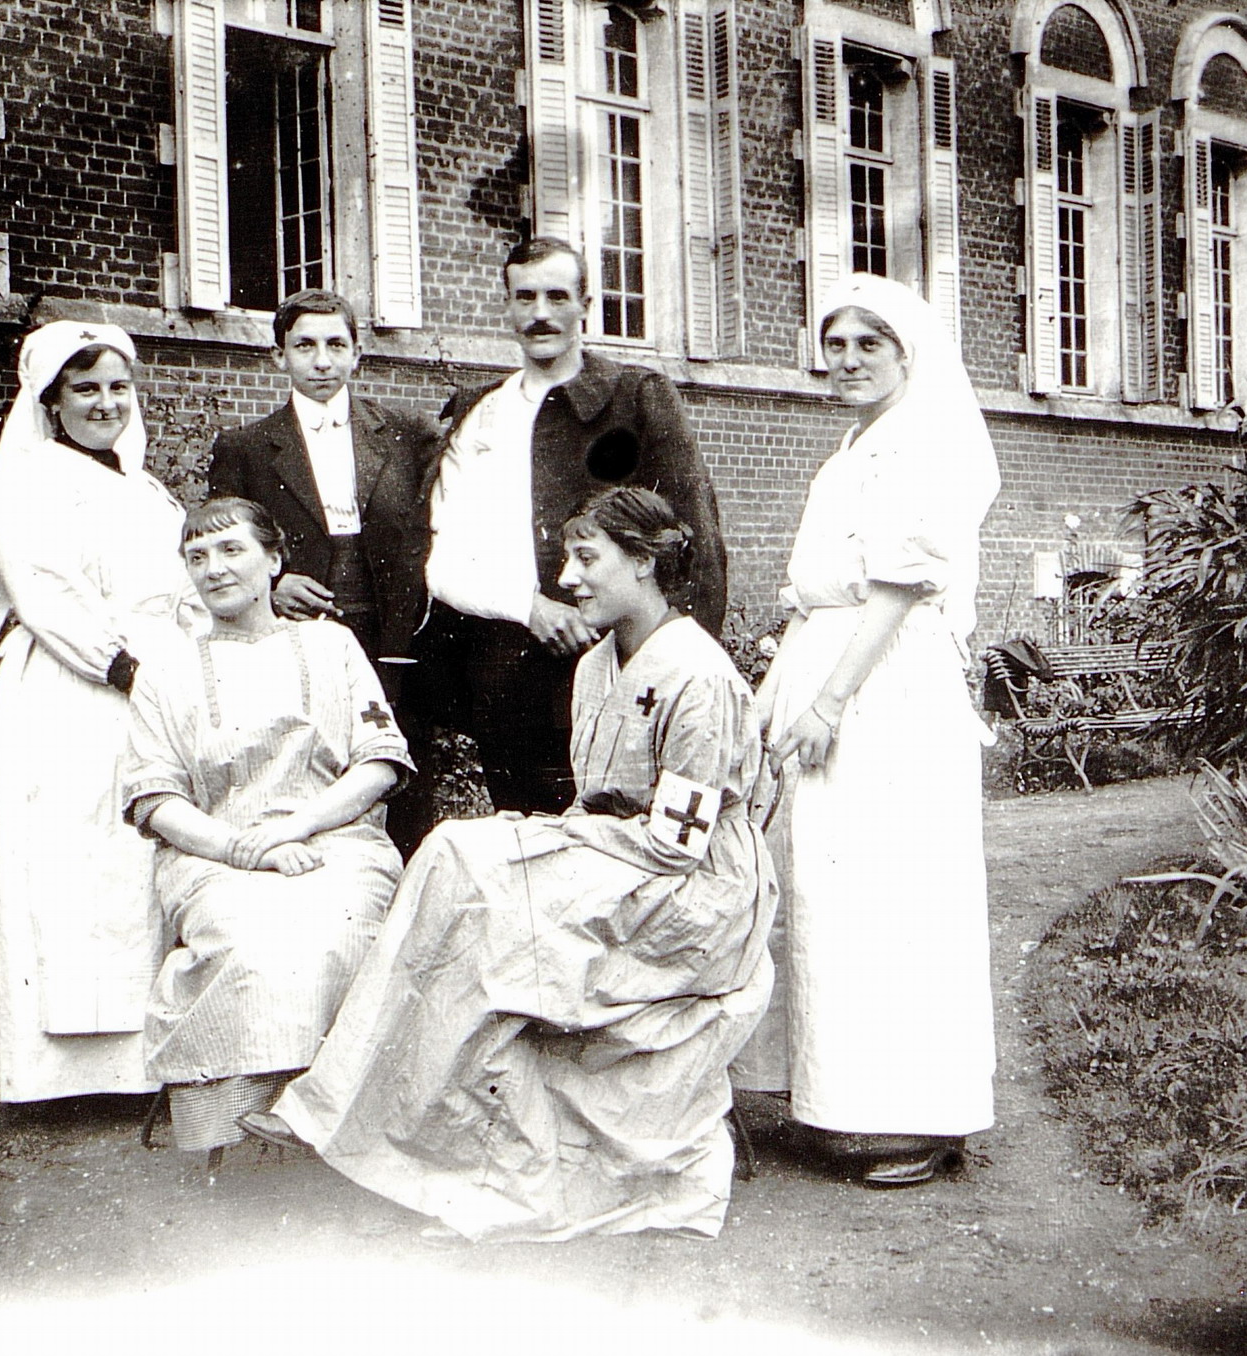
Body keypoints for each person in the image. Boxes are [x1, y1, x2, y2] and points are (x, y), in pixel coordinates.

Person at [245, 487, 775, 1243]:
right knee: (461, 865)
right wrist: (557, 837)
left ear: (647, 563)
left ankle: (389, 1131)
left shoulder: (700, 676)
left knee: (473, 864)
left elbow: (677, 845)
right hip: (625, 870)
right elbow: (600, 809)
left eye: (588, 559)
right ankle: (380, 1127)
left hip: (695, 901)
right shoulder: (596, 666)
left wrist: (549, 838)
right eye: (568, 559)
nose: (568, 579)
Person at [730, 273, 1001, 1187]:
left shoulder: (920, 444)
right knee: (828, 896)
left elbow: (895, 589)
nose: (846, 361)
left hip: (887, 693)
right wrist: (772, 689)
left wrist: (832, 701)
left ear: (904, 355)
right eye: (835, 344)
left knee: (896, 897)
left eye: (867, 346)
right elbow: (816, 595)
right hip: (830, 664)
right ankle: (837, 1101)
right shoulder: (852, 449)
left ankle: (919, 1119)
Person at [0, 321, 195, 1102]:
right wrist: (124, 668)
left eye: (118, 387)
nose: (105, 403)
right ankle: (49, 1070)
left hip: (147, 689)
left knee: (132, 858)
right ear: (51, 402)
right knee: (62, 862)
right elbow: (45, 590)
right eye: (85, 389)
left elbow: (178, 592)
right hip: (68, 687)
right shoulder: (31, 479)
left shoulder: (146, 490)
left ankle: (135, 1063)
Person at [122, 497, 414, 1155]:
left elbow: (380, 763)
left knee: (340, 931)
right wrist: (245, 849)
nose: (214, 569)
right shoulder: (165, 671)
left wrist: (302, 824)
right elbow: (155, 800)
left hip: (335, 839)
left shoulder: (331, 645)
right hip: (215, 852)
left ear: (275, 560)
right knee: (249, 939)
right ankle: (237, 1122)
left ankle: (342, 1125)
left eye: (231, 551)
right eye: (197, 557)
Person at [410, 237, 728, 820]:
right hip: (505, 666)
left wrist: (682, 663)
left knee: (630, 833)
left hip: (620, 663)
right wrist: (527, 607)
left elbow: (693, 540)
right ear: (506, 305)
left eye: (558, 296)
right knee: (532, 844)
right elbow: (442, 551)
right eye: (524, 297)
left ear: (586, 303)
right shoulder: (477, 411)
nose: (540, 313)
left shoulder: (634, 397)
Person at [206, 290, 436, 853]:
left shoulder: (409, 436)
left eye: (336, 345)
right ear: (278, 356)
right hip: (300, 629)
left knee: (398, 766)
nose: (322, 361)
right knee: (306, 763)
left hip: (393, 631)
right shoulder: (247, 448)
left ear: (358, 354)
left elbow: (434, 533)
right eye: (304, 346)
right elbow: (226, 542)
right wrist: (274, 584)